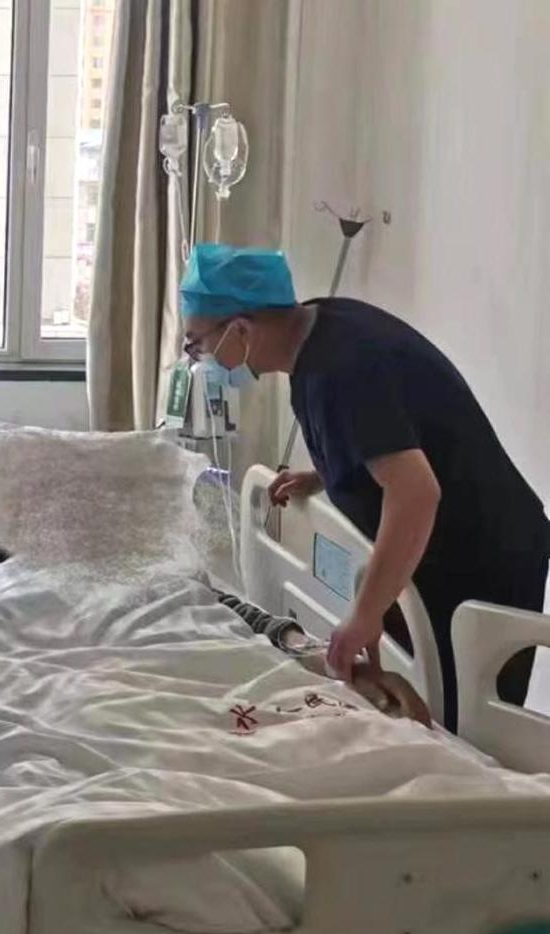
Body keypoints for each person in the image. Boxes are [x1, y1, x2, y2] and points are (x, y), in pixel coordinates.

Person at [180, 241, 550, 730]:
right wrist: (326, 472)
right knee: (418, 699)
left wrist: (365, 614)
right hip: (438, 544)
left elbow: (417, 493)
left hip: (482, 557)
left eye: (197, 344)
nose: (199, 358)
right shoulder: (319, 329)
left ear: (241, 330)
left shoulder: (340, 368)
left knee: (467, 729)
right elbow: (388, 433)